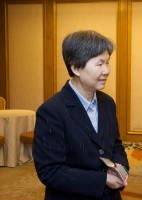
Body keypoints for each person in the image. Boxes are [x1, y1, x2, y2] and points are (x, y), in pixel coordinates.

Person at [32, 30, 129, 200]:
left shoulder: (107, 102)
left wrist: (121, 168)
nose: (107, 70)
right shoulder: (51, 111)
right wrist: (102, 180)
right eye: (100, 64)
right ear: (76, 67)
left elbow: (116, 145)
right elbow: (50, 171)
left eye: (108, 63)